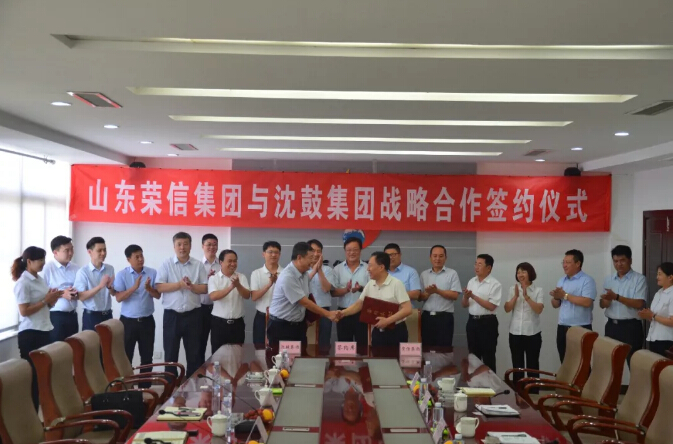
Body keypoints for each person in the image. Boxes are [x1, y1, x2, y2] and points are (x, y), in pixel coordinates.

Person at [12, 246, 62, 410]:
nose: (43, 263)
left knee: (43, 376)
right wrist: (46, 300)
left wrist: (52, 299)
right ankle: (31, 413)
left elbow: (45, 305)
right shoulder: (23, 283)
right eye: (40, 260)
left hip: (44, 329)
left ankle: (43, 412)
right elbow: (24, 311)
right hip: (31, 333)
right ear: (29, 261)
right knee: (33, 377)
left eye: (43, 259)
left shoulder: (39, 279)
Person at [155, 232, 208, 377]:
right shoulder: (166, 264)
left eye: (185, 244)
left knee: (194, 355)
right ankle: (170, 387)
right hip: (172, 316)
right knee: (170, 355)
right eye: (179, 244)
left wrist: (191, 286)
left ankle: (193, 387)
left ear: (190, 246)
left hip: (193, 316)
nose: (182, 247)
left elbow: (205, 288)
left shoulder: (198, 265)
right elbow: (159, 287)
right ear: (174, 246)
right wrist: (179, 285)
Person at [267, 242, 338, 347]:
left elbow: (308, 278)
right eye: (310, 258)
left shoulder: (303, 273)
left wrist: (316, 269)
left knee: (301, 355)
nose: (312, 261)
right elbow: (305, 302)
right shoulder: (288, 276)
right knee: (282, 357)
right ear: (299, 258)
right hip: (282, 327)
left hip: (298, 326)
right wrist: (328, 314)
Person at [337, 252, 412, 347]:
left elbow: (407, 309)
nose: (367, 269)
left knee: (395, 357)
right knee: (376, 356)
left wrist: (388, 321)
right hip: (377, 330)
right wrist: (342, 313)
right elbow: (359, 304)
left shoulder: (396, 284)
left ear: (381, 267)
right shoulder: (370, 284)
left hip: (396, 331)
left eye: (370, 266)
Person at [113, 245, 159, 387]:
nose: (140, 259)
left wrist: (149, 289)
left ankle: (144, 390)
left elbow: (158, 295)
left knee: (147, 357)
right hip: (128, 322)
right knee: (126, 357)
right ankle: (128, 389)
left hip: (147, 321)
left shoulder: (152, 272)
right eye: (136, 257)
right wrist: (134, 287)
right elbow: (118, 298)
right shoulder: (122, 274)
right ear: (129, 259)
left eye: (141, 256)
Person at [600, 245, 647, 366]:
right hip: (611, 326)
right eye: (615, 261)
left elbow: (639, 303)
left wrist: (616, 297)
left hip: (631, 328)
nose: (619, 264)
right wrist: (605, 301)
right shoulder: (609, 279)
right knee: (609, 365)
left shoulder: (639, 279)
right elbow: (602, 304)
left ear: (630, 260)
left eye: (622, 260)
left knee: (634, 365)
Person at [550, 249, 597, 362]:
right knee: (565, 363)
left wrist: (565, 295)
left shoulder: (587, 280)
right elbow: (555, 305)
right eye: (563, 262)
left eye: (568, 262)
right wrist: (556, 297)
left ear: (578, 263)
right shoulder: (562, 280)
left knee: (582, 364)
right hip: (562, 327)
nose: (564, 265)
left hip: (581, 328)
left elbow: (587, 302)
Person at [504, 262, 544, 386]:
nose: (520, 274)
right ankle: (518, 393)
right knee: (517, 366)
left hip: (532, 333)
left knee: (533, 366)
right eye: (518, 272)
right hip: (515, 333)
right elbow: (507, 309)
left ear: (530, 273)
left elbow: (539, 309)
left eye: (523, 272)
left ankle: (533, 393)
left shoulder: (538, 290)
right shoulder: (513, 289)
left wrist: (527, 297)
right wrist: (515, 296)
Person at [462, 254, 501, 372]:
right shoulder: (471, 281)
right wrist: (466, 297)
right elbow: (464, 305)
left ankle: (491, 383)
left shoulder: (495, 284)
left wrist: (473, 296)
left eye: (480, 264)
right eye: (475, 264)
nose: (476, 267)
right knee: (473, 356)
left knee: (488, 357)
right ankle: (474, 382)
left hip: (487, 323)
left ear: (488, 268)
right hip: (472, 322)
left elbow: (491, 306)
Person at [331, 237, 370, 348]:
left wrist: (361, 288)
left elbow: (373, 291)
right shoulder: (337, 269)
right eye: (349, 250)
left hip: (362, 313)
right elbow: (332, 293)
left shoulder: (368, 268)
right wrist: (346, 290)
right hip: (343, 313)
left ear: (360, 251)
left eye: (355, 249)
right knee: (344, 346)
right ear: (345, 251)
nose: (352, 253)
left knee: (363, 346)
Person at [419, 245, 462, 347]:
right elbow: (419, 297)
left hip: (445, 318)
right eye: (435, 256)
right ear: (430, 257)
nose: (437, 259)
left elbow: (455, 295)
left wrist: (437, 291)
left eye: (441, 256)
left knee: (444, 349)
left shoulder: (452, 273)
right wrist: (428, 293)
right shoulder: (424, 274)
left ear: (445, 258)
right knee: (427, 348)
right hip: (427, 318)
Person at [209, 250, 250, 350]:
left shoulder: (241, 277)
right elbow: (213, 296)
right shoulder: (214, 278)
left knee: (238, 355)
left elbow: (247, 295)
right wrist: (231, 287)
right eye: (230, 261)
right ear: (221, 262)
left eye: (235, 261)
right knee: (217, 356)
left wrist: (238, 285)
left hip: (237, 325)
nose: (233, 264)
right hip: (219, 324)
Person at [42, 235, 80, 343]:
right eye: (66, 250)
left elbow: (81, 287)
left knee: (73, 347)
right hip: (55, 317)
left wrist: (75, 293)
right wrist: (62, 293)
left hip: (72, 315)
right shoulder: (47, 268)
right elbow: (41, 293)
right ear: (55, 252)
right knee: (57, 349)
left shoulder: (76, 268)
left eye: (72, 249)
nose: (71, 253)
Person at [74, 237, 115, 331]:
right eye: (99, 250)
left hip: (108, 315)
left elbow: (113, 293)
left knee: (108, 341)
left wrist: (109, 287)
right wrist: (100, 286)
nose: (103, 253)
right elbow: (81, 296)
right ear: (90, 252)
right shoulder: (83, 272)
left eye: (104, 250)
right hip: (91, 317)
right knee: (91, 340)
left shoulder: (110, 269)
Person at [250, 241, 283, 346]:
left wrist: (278, 283)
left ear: (280, 254)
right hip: (262, 317)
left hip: (281, 317)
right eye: (270, 252)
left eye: (276, 252)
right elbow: (254, 297)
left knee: (280, 349)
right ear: (263, 254)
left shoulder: (285, 273)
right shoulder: (256, 273)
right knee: (260, 348)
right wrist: (269, 284)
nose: (273, 255)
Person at [638, 262, 673, 357]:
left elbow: (672, 321)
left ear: (670, 277)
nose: (657, 277)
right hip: (654, 337)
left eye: (660, 274)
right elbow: (655, 317)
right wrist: (647, 315)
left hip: (667, 340)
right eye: (657, 274)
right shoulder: (659, 293)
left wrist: (653, 316)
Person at [307, 239, 335, 348]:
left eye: (318, 251)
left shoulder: (327, 270)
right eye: (313, 251)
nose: (316, 254)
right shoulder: (302, 269)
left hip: (324, 312)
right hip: (306, 311)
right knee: (307, 343)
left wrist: (319, 270)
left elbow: (326, 289)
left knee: (324, 344)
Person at [200, 233, 219, 361]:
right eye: (209, 244)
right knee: (199, 344)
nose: (212, 247)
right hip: (200, 309)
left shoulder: (222, 264)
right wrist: (207, 279)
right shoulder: (197, 265)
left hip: (217, 309)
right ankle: (200, 372)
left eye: (214, 244)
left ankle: (217, 371)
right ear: (203, 246)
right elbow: (193, 286)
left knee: (217, 345)